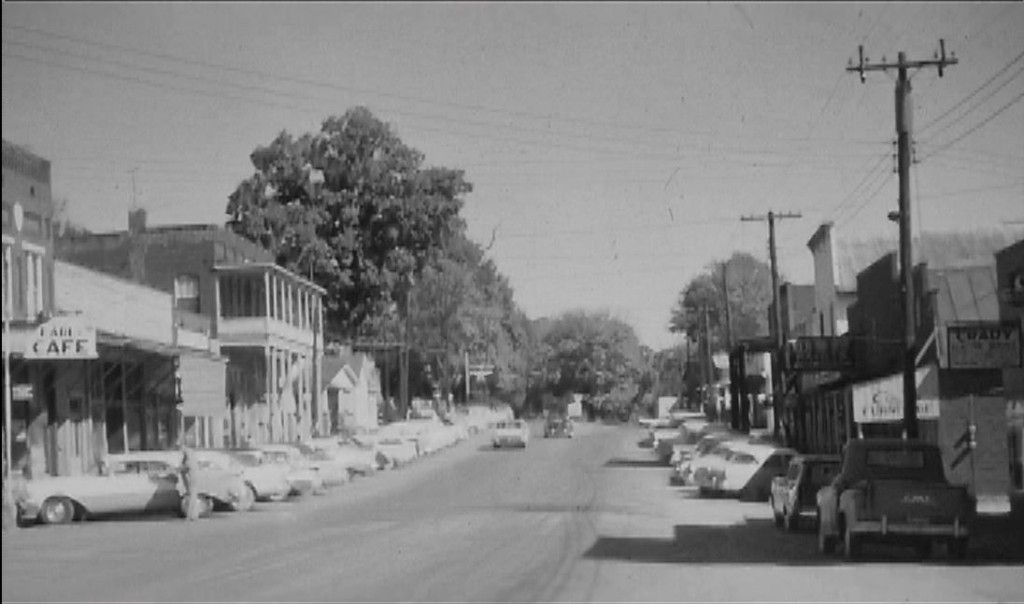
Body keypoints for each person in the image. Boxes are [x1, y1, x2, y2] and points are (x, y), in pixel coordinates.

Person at [180, 445, 200, 521]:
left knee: (192, 498)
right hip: (193, 479)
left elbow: (184, 468)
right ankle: (194, 515)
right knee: (193, 497)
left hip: (192, 480)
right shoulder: (192, 458)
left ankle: (190, 515)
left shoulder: (188, 461)